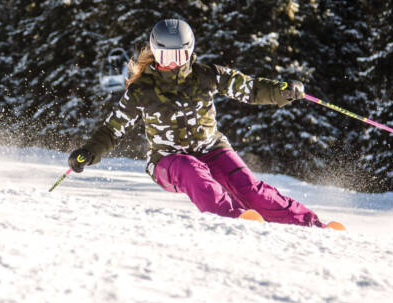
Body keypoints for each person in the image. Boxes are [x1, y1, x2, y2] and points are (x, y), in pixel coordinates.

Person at [67, 18, 344, 229]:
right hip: (167, 160)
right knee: (193, 172)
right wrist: (90, 152)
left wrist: (280, 91)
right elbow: (113, 129)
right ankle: (237, 222)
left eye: (179, 56)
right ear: (154, 53)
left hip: (211, 148)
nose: (173, 63)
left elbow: (249, 88)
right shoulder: (142, 90)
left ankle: (311, 226)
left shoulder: (207, 76)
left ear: (189, 53)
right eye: (165, 56)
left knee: (250, 189)